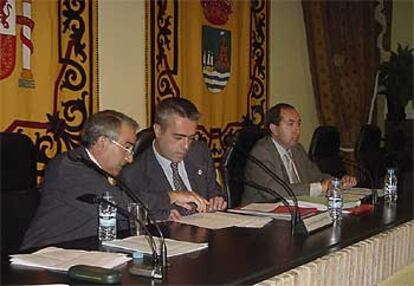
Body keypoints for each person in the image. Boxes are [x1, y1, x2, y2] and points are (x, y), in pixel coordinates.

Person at [21, 110, 139, 250]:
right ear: (102, 142)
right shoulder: (69, 167)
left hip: (81, 253)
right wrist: (169, 197)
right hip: (43, 259)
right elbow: (122, 206)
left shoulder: (96, 168)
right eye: (127, 148)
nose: (129, 158)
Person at [120, 98, 227, 220]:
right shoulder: (134, 173)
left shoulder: (200, 152)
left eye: (191, 138)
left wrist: (217, 199)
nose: (186, 146)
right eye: (178, 138)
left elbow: (214, 190)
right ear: (158, 131)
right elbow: (131, 211)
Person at [242, 103, 357, 205]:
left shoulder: (297, 149)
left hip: (295, 210)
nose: (297, 130)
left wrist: (338, 182)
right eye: (290, 124)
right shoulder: (261, 152)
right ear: (274, 129)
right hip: (262, 216)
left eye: (298, 124)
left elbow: (316, 176)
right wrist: (320, 188)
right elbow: (273, 191)